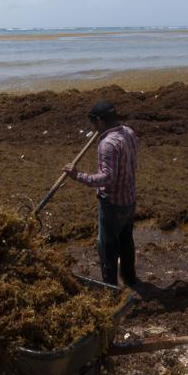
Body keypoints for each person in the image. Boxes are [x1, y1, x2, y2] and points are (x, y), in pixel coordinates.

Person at [62, 101, 139, 287]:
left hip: (112, 203)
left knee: (107, 247)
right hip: (129, 198)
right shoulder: (129, 132)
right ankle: (130, 278)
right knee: (126, 240)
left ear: (99, 121)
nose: (93, 127)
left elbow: (107, 178)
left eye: (93, 122)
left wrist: (77, 175)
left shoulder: (107, 144)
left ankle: (110, 287)